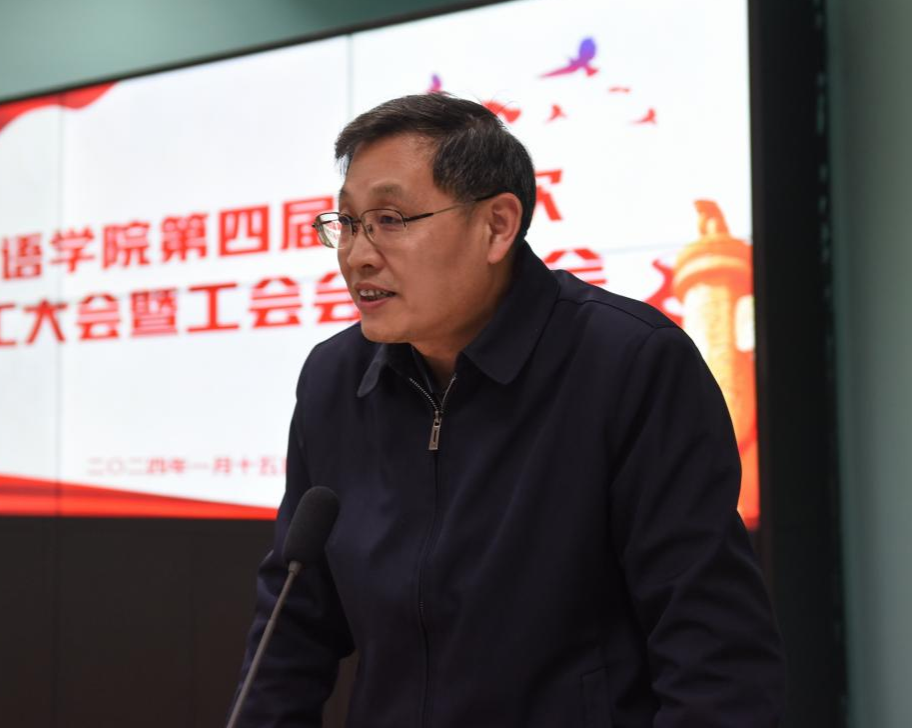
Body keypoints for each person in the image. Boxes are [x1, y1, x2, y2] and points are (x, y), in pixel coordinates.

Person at [234, 93, 785, 727]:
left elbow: (713, 654)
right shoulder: (335, 379)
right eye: (349, 223)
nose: (357, 254)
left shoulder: (628, 363)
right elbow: (294, 624)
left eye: (390, 218)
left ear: (497, 226)